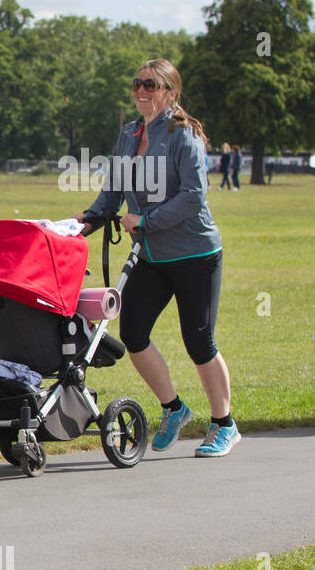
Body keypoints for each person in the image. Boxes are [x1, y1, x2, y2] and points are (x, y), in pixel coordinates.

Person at [73, 58, 239, 457]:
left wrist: (146, 220)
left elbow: (193, 196)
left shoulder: (184, 136)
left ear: (171, 92)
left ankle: (224, 425)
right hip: (150, 253)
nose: (141, 91)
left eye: (151, 84)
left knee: (199, 341)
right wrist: (87, 220)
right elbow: (113, 189)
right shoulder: (129, 135)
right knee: (132, 334)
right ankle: (174, 408)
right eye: (136, 84)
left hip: (195, 253)